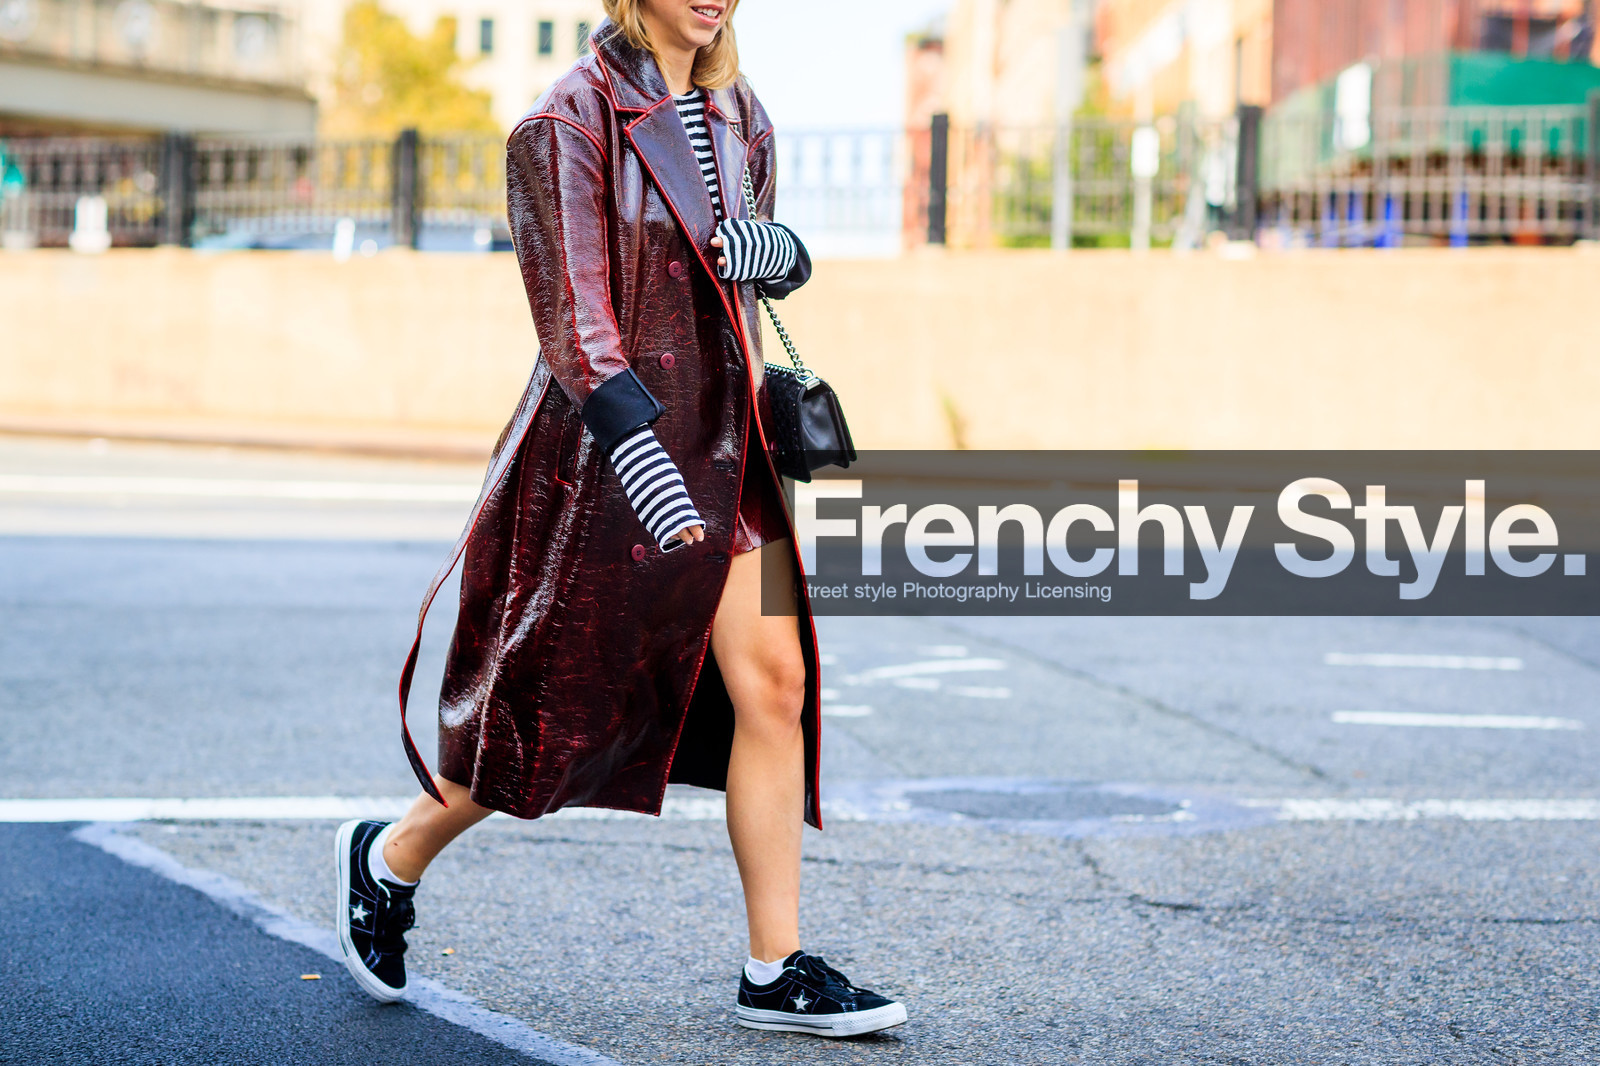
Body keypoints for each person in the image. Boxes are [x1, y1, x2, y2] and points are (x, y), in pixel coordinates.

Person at [333, 0, 906, 1040]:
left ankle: (773, 968)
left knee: (776, 685)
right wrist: (641, 458)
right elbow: (575, 316)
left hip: (726, 444)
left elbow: (751, 279)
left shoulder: (741, 114)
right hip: (612, 459)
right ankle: (390, 856)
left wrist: (780, 251)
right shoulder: (566, 118)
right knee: (550, 710)